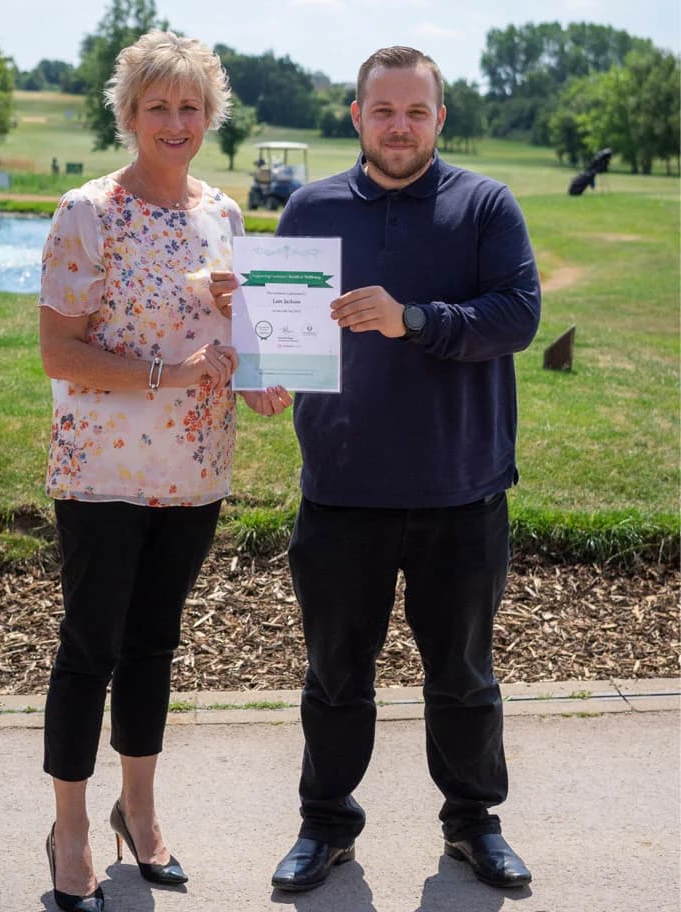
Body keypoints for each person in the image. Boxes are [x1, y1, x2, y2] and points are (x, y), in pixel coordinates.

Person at [214, 45, 540, 894]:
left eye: (417, 111)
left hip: (460, 486)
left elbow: (517, 315)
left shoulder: (484, 206)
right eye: (383, 110)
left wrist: (416, 319)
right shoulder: (313, 207)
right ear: (356, 117)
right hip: (342, 486)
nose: (400, 126)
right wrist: (259, 362)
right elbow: (283, 333)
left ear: (441, 118)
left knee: (464, 676)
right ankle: (326, 825)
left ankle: (473, 822)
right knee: (333, 675)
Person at [38, 29, 289, 912]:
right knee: (90, 647)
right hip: (101, 473)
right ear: (130, 114)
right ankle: (69, 828)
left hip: (195, 472)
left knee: (153, 645)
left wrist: (257, 382)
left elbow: (235, 339)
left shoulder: (223, 215)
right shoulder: (87, 212)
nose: (175, 122)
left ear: (210, 116)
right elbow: (57, 352)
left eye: (191, 107)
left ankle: (136, 812)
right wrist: (163, 375)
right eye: (158, 107)